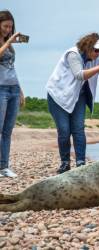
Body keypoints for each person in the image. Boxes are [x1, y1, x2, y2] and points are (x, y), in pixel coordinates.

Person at [46, 32, 99, 174]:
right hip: (59, 95)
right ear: (87, 47)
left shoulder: (97, 59)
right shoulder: (73, 54)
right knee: (64, 130)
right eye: (96, 50)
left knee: (78, 129)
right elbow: (79, 75)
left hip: (79, 96)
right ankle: (65, 163)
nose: (98, 53)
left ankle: (81, 163)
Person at [0, 10, 25, 178]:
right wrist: (9, 41)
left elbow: (11, 67)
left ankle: (4, 166)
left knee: (8, 131)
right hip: (0, 88)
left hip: (13, 88)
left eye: (10, 26)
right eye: (5, 26)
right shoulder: (6, 42)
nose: (8, 29)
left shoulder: (9, 44)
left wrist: (21, 90)